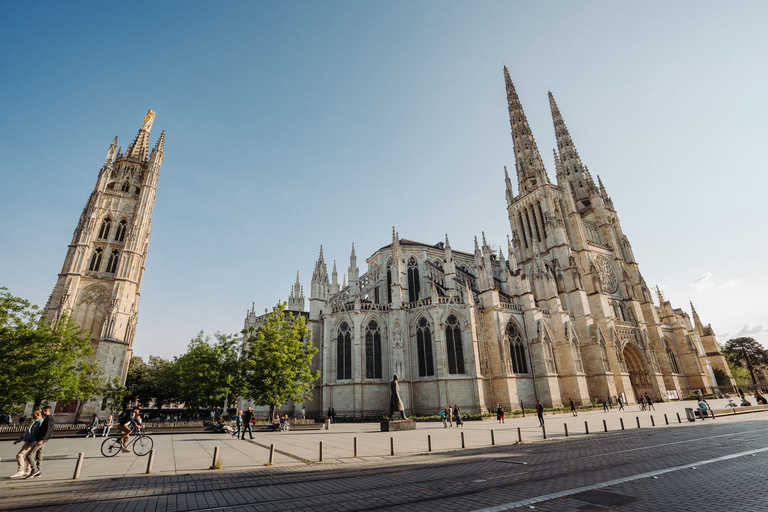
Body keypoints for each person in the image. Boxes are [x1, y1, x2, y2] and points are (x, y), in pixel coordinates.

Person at [10, 410, 42, 478]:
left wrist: (36, 441)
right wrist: (19, 440)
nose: (32, 414)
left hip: (31, 441)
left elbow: (36, 433)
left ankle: (20, 471)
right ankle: (28, 470)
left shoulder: (39, 422)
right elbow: (27, 432)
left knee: (19, 455)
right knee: (27, 456)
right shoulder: (35, 422)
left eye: (34, 413)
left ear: (38, 414)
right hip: (29, 440)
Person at [25, 405, 54, 479]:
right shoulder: (47, 418)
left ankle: (34, 469)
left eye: (42, 410)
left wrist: (41, 439)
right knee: (39, 454)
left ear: (46, 410)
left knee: (29, 454)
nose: (41, 412)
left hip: (42, 439)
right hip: (42, 439)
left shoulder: (49, 418)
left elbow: (47, 430)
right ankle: (38, 471)